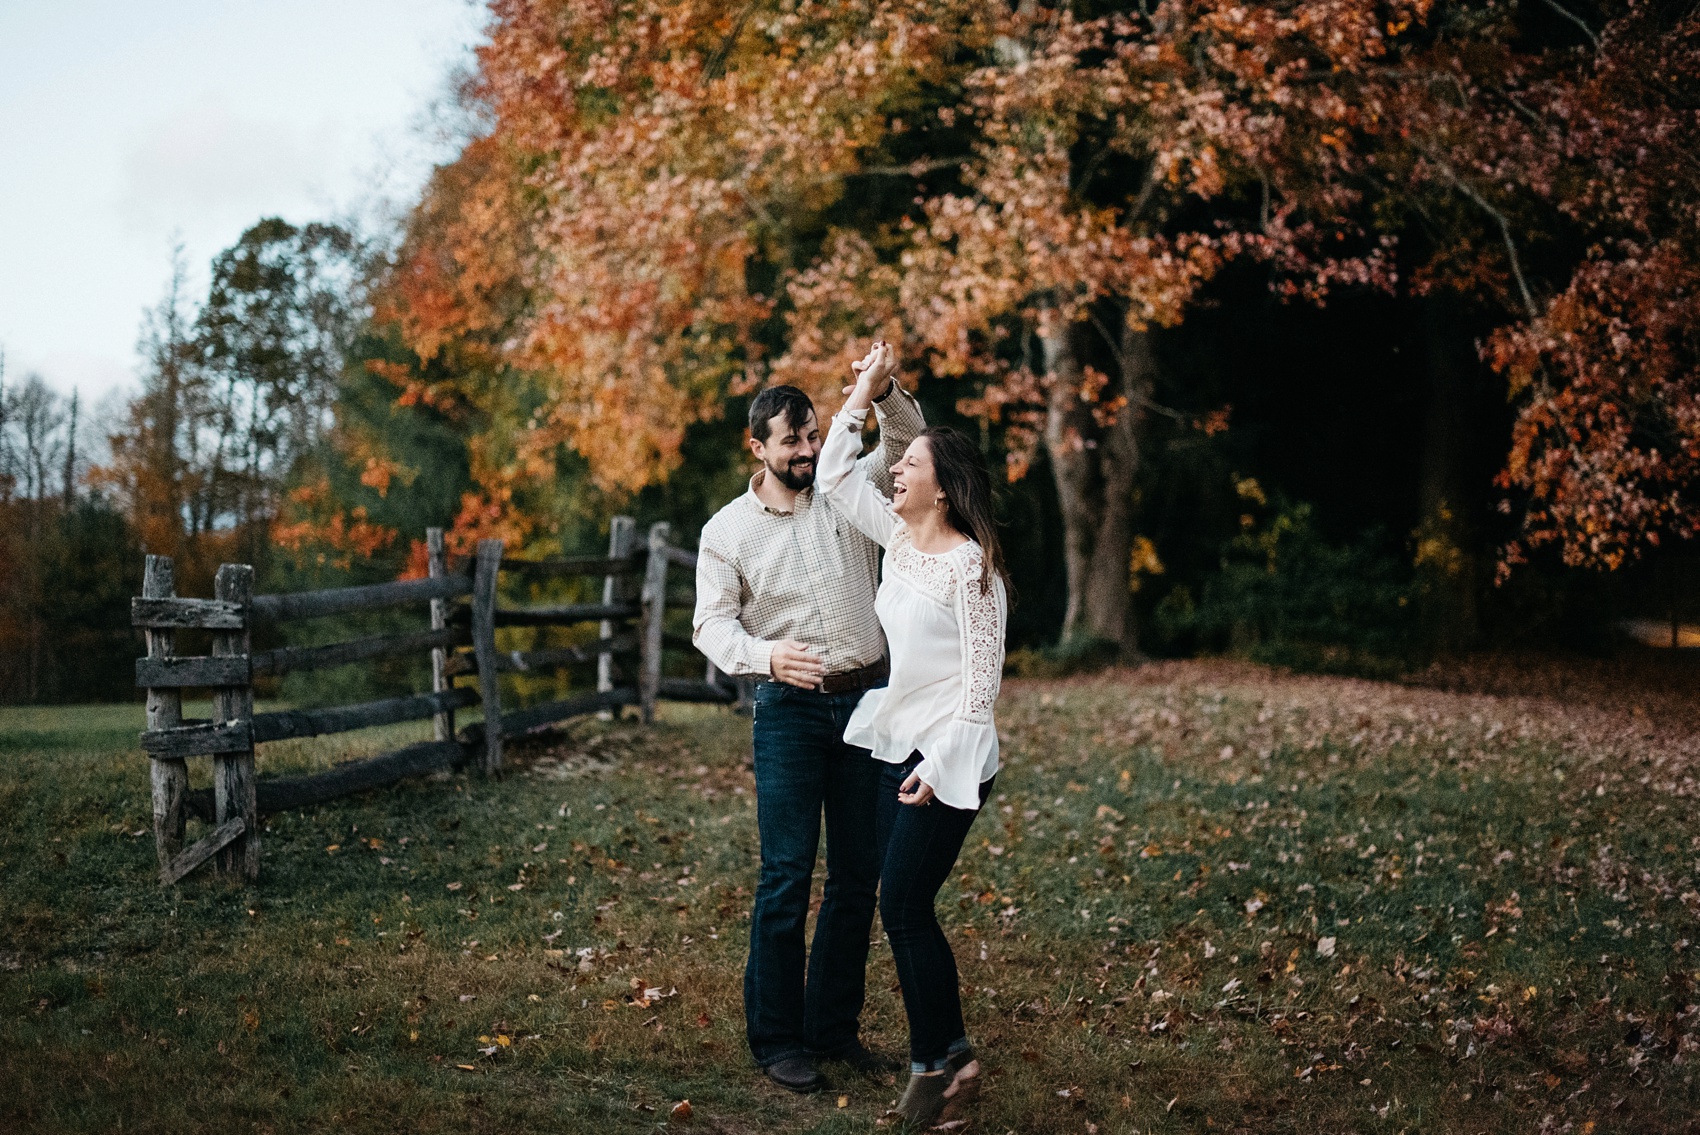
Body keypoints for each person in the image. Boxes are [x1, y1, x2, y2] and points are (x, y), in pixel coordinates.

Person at [692, 369, 925, 1092]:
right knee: (788, 875)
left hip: (867, 705)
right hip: (788, 713)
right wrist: (764, 656)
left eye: (813, 434)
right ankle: (777, 1037)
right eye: (791, 439)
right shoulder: (727, 531)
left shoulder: (848, 489)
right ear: (755, 445)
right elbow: (709, 624)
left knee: (859, 875)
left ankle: (833, 1028)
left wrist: (883, 391)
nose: (806, 448)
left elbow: (910, 442)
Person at [816, 340, 1010, 1128]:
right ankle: (942, 1059)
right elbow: (834, 475)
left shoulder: (974, 567)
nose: (894, 471)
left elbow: (981, 681)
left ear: (943, 484)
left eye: (909, 465)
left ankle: (943, 1060)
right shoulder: (897, 540)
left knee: (902, 900)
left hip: (951, 756)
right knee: (903, 904)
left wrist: (942, 763)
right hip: (897, 744)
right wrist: (865, 390)